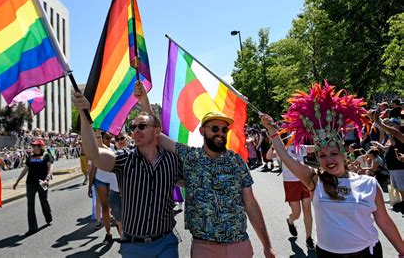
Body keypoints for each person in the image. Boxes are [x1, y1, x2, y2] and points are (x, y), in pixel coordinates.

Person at [260, 81, 404, 257]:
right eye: (322, 155)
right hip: (327, 253)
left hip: (367, 253)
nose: (328, 159)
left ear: (343, 154)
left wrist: (402, 250)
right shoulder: (314, 180)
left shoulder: (369, 183)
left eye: (333, 153)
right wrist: (272, 131)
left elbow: (385, 222)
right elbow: (285, 156)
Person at [133, 81, 275, 258]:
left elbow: (251, 204)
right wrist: (144, 101)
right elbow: (157, 136)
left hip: (238, 244)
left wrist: (267, 245)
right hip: (204, 248)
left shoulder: (236, 161)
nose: (220, 133)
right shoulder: (190, 157)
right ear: (202, 131)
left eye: (224, 129)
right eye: (214, 128)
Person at [73, 90, 181, 258]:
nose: (136, 130)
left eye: (142, 126)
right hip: (133, 246)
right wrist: (83, 116)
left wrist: (144, 100)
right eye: (133, 127)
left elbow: (193, 177)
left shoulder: (171, 161)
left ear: (156, 131)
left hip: (166, 243)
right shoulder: (125, 159)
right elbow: (94, 154)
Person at [266, 140, 315, 250]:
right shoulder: (282, 149)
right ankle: (290, 220)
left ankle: (309, 238)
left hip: (304, 180)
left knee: (307, 209)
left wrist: (322, 140)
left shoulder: (300, 147)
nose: (293, 137)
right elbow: (269, 156)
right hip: (290, 183)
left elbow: (315, 148)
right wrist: (273, 145)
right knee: (296, 213)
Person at [13, 139, 53, 236]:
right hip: (30, 183)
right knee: (30, 205)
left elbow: (50, 168)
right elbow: (25, 169)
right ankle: (32, 228)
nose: (33, 147)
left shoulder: (47, 156)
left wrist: (47, 179)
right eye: (33, 146)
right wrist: (17, 181)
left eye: (35, 146)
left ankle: (48, 218)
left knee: (44, 201)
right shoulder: (30, 157)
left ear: (40, 147)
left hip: (42, 183)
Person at [89, 130, 118, 245]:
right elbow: (92, 169)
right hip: (100, 180)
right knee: (105, 207)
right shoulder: (95, 150)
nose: (109, 139)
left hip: (114, 181)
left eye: (110, 137)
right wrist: (90, 184)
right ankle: (108, 233)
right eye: (106, 137)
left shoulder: (112, 148)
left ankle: (122, 231)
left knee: (116, 207)